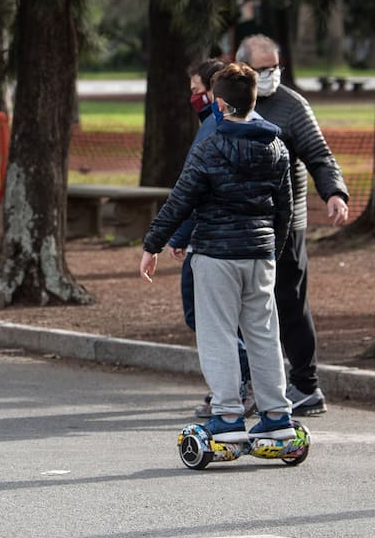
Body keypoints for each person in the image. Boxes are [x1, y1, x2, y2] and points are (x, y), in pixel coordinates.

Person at [140, 63, 295, 443]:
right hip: (259, 255)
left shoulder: (210, 146)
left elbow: (181, 199)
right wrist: (271, 249)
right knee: (263, 332)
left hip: (215, 253)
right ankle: (276, 413)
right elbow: (284, 209)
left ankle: (227, 415)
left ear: (220, 104)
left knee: (218, 334)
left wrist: (152, 245)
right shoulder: (277, 147)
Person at [236, 34, 350, 416]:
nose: (270, 74)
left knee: (289, 301)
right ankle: (248, 383)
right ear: (242, 69)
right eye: (261, 69)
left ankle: (305, 384)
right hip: (239, 225)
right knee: (242, 307)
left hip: (286, 223)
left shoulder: (291, 105)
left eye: (275, 67)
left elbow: (319, 155)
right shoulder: (228, 102)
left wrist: (334, 193)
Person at [170, 58, 255, 419]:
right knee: (236, 322)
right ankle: (240, 386)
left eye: (196, 91)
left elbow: (194, 191)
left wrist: (176, 234)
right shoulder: (236, 129)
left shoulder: (215, 132)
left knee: (207, 319)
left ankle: (241, 386)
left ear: (214, 94)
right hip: (242, 244)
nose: (193, 98)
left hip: (211, 243)